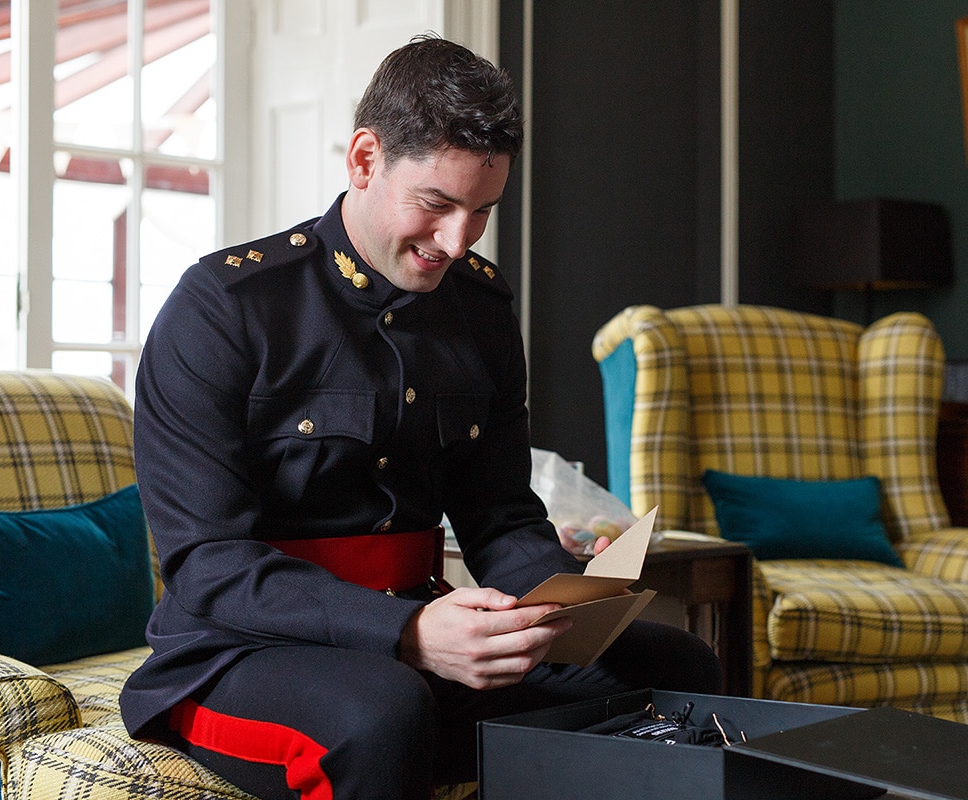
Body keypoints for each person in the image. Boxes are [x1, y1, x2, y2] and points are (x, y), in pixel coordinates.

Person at [120, 35, 722, 800]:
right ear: (365, 159)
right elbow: (208, 564)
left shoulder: (483, 308)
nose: (456, 241)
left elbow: (500, 514)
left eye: (482, 212)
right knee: (386, 710)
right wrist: (403, 635)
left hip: (422, 628)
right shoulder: (222, 308)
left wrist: (559, 603)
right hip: (235, 651)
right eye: (437, 204)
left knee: (675, 668)